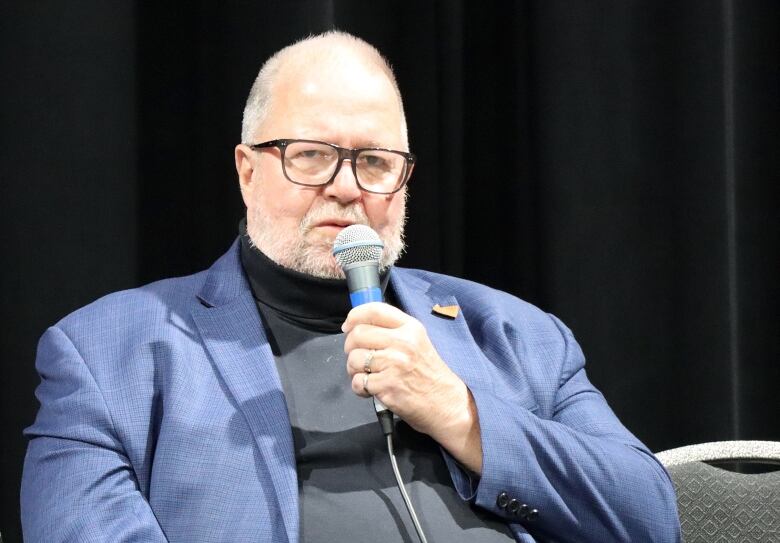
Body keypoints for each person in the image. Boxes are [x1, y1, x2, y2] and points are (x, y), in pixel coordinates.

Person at [21, 31, 680, 542]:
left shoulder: (515, 335)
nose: (344, 186)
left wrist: (461, 413)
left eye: (373, 161)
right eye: (310, 154)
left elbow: (649, 518)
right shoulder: (108, 351)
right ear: (247, 171)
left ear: (404, 181)